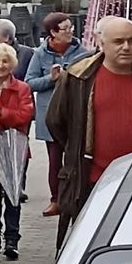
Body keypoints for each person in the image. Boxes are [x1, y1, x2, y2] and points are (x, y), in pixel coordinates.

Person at [47, 16, 132, 247]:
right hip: (89, 181)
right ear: (101, 43)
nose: (126, 47)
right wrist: (77, 149)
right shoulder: (78, 77)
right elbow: (57, 121)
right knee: (89, 244)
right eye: (118, 41)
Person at [25, 12, 90, 217]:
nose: (71, 31)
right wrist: (50, 79)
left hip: (75, 114)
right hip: (51, 116)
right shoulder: (40, 54)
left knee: (76, 158)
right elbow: (29, 83)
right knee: (55, 160)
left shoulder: (82, 52)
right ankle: (56, 200)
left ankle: (76, 197)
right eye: (65, 28)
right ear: (52, 33)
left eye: (71, 27)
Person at [0, 43, 35, 260]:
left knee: (13, 195)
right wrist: (2, 119)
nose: (1, 66)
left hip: (16, 148)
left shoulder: (22, 88)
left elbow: (25, 115)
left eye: (5, 61)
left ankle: (12, 239)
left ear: (12, 64)